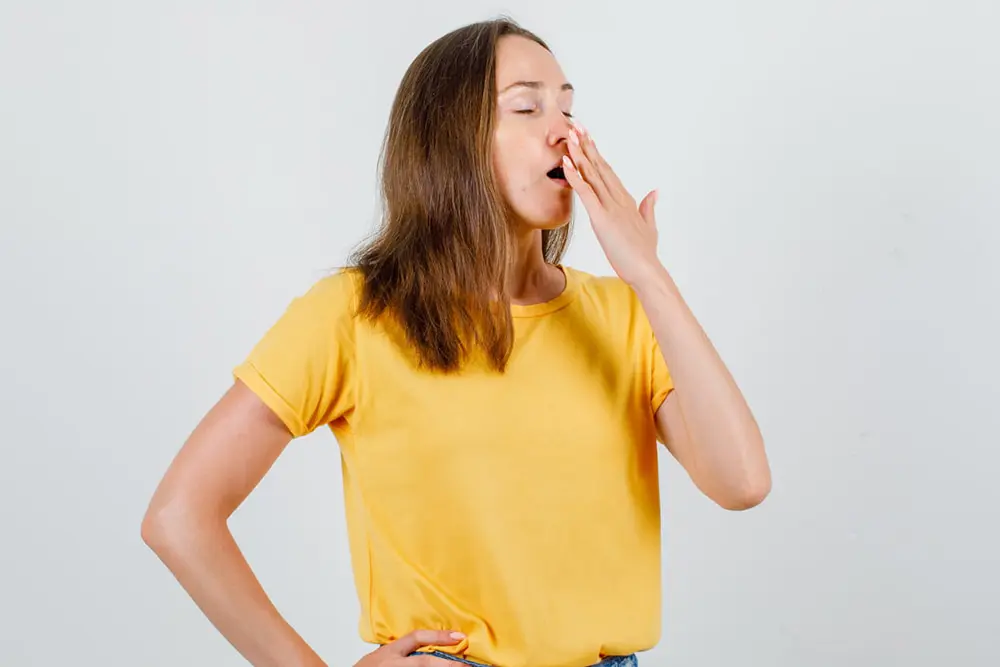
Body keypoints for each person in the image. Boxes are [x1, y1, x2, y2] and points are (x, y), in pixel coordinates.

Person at [140, 16, 771, 667]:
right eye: (527, 106)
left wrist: (648, 274)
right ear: (451, 139)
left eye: (569, 106)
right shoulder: (356, 314)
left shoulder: (623, 313)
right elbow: (180, 515)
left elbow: (743, 481)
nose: (565, 130)